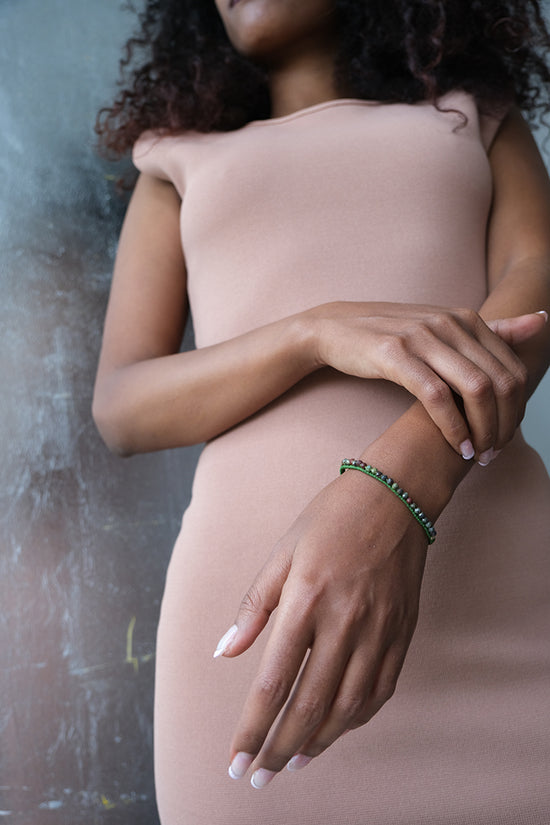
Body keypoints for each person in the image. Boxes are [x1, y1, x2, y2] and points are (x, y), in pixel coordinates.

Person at [93, 1, 550, 822]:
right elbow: (122, 405)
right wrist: (314, 331)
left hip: (501, 597)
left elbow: (535, 307)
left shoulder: (474, 118)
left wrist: (393, 488)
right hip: (264, 628)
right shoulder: (175, 159)